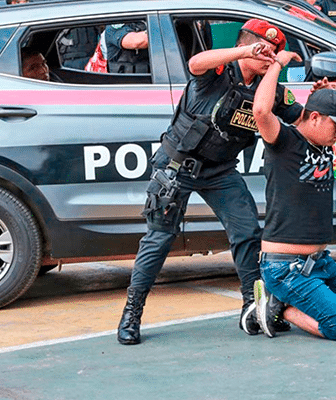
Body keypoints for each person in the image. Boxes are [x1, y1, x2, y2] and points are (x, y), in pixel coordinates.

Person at [116, 19, 314, 345]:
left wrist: (320, 99)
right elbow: (196, 62)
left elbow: (302, 118)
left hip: (220, 171)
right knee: (159, 239)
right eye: (264, 51)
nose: (269, 58)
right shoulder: (218, 72)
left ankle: (253, 306)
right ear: (245, 47)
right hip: (178, 166)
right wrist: (243, 53)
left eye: (274, 53)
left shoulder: (269, 89)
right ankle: (131, 313)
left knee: (247, 232)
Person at [252, 51, 336, 341]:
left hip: (320, 262)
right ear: (315, 118)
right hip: (285, 267)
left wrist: (332, 94)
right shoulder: (285, 142)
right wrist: (277, 64)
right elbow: (261, 112)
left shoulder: (326, 141)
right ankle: (278, 307)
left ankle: (287, 301)